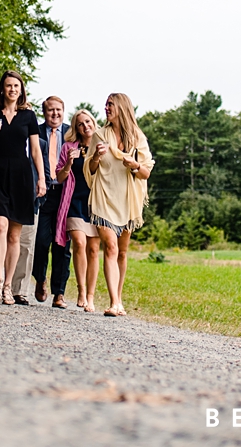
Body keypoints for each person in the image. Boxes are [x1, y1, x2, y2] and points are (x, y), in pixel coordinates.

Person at [0, 71, 46, 305]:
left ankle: (8, 286)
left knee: (15, 235)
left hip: (22, 177)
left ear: (21, 89)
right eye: (8, 85)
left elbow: (35, 150)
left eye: (16, 85)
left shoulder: (29, 116)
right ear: (2, 89)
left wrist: (42, 179)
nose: (12, 89)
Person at [88, 93, 153, 317]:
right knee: (111, 247)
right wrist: (96, 156)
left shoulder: (137, 137)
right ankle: (114, 302)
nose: (106, 108)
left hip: (127, 200)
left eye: (110, 104)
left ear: (122, 108)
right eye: (105, 104)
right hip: (104, 197)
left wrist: (134, 164)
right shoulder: (99, 135)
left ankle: (119, 297)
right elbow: (90, 170)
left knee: (122, 253)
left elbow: (145, 172)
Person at [55, 109, 101, 313]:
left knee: (93, 249)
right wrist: (68, 163)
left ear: (94, 122)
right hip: (74, 201)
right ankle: (81, 291)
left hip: (97, 203)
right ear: (76, 128)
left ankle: (90, 296)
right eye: (81, 123)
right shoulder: (69, 147)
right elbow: (60, 177)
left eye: (88, 121)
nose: (85, 126)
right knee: (79, 243)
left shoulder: (102, 146)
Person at [32, 96, 71, 307]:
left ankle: (59, 292)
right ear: (44, 112)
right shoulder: (35, 132)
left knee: (62, 245)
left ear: (63, 111)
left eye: (58, 110)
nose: (54, 114)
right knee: (40, 242)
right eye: (50, 110)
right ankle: (40, 278)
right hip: (42, 191)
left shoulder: (71, 133)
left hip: (65, 193)